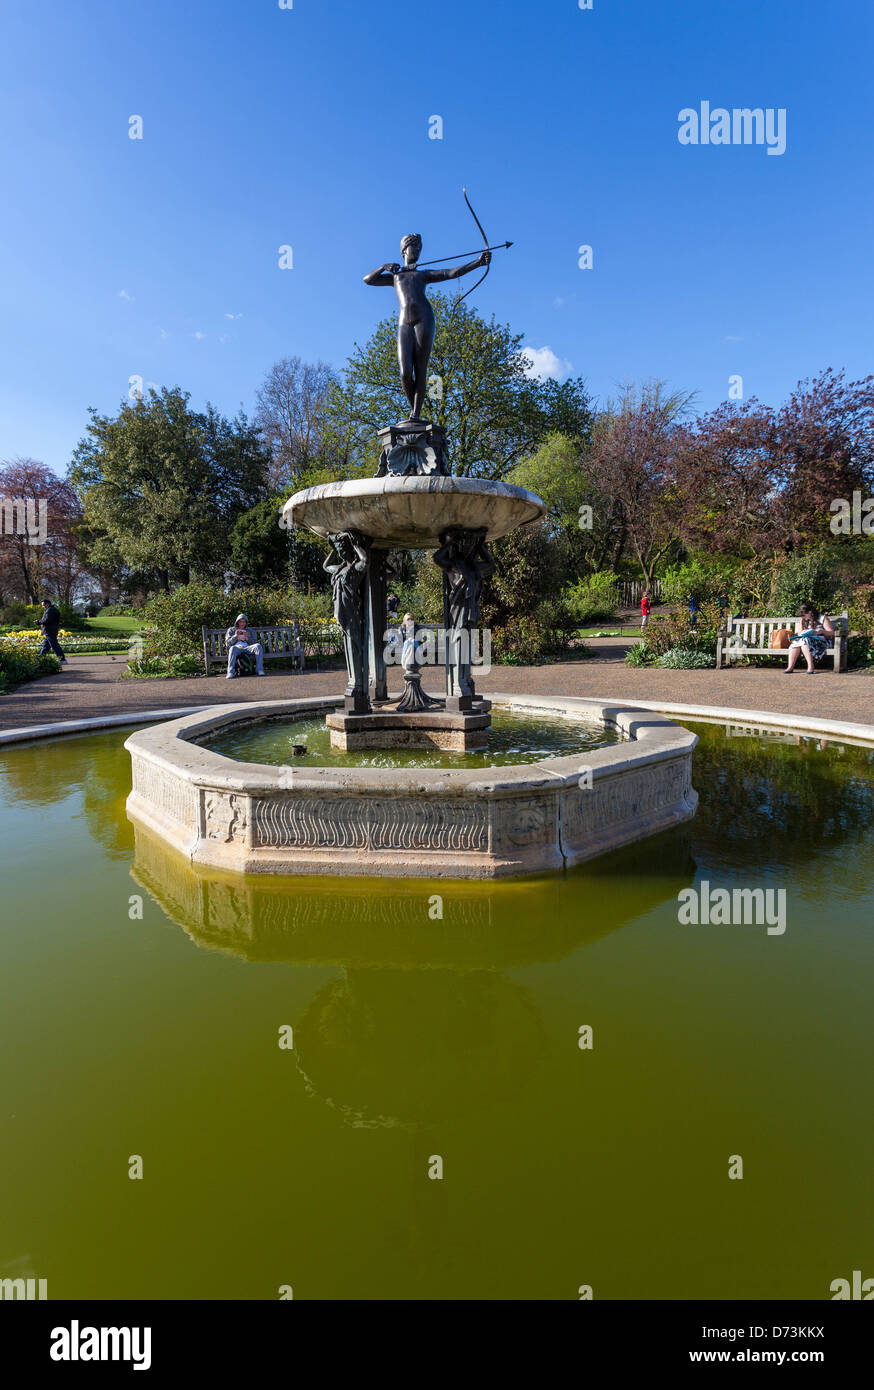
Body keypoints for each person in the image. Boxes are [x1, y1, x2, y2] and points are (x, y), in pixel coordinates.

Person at [364, 234, 490, 421]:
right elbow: (368, 280)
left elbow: (450, 272)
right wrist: (384, 267)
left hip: (424, 319)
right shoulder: (396, 276)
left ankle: (415, 414)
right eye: (413, 247)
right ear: (404, 250)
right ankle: (413, 411)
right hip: (404, 323)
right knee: (405, 373)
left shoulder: (422, 275)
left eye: (419, 248)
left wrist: (477, 263)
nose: (417, 251)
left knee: (420, 369)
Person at [784, 603, 834, 674]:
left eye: (804, 615)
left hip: (822, 641)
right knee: (796, 643)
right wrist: (803, 632)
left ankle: (810, 666)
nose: (803, 617)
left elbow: (831, 632)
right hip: (807, 640)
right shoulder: (803, 620)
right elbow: (799, 633)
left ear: (810, 612)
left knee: (804, 642)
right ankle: (790, 667)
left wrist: (822, 631)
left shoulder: (822, 618)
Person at [224, 614, 264, 678]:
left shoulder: (250, 630)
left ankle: (259, 669)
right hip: (237, 648)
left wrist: (248, 638)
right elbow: (227, 643)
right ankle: (230, 672)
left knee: (258, 646)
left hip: (247, 648)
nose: (242, 623)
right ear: (237, 622)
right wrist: (235, 636)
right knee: (232, 648)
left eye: (244, 622)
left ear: (246, 623)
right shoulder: (231, 630)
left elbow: (254, 642)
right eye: (240, 622)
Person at [38, 598, 66, 665]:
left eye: (43, 605)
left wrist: (38, 622)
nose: (43, 606)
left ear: (47, 604)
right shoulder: (51, 610)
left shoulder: (50, 610)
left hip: (49, 631)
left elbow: (47, 620)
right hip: (51, 630)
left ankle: (62, 660)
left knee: (54, 646)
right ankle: (40, 658)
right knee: (45, 646)